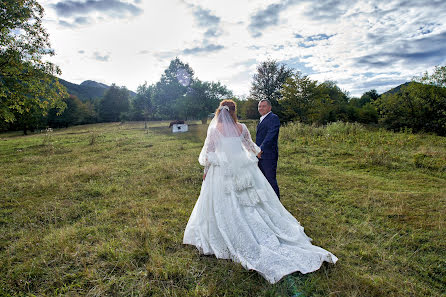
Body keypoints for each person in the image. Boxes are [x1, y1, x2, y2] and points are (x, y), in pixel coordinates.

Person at [183, 99, 338, 284]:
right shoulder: (242, 128)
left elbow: (209, 153)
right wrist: (257, 155)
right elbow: (251, 147)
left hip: (222, 170)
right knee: (253, 203)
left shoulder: (215, 129)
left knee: (225, 202)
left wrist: (206, 172)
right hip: (243, 168)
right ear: (234, 111)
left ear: (220, 111)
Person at [256, 99, 280, 198]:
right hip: (259, 154)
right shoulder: (262, 119)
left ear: (269, 107)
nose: (261, 108)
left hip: (268, 154)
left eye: (263, 106)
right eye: (259, 106)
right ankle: (267, 201)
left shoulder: (273, 118)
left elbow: (270, 135)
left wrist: (261, 149)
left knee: (270, 179)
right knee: (262, 179)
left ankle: (277, 203)